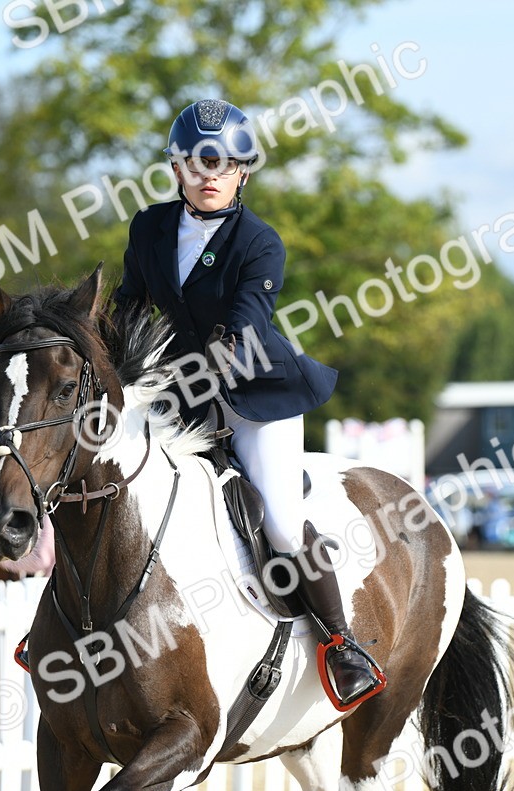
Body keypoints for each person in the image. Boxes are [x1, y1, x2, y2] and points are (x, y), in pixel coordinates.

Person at [112, 99, 380, 708]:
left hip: (257, 392)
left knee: (281, 522)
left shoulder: (260, 242)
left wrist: (190, 378)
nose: (211, 173)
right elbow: (129, 309)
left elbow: (245, 327)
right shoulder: (149, 228)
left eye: (225, 164)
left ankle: (342, 645)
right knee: (115, 482)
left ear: (243, 174)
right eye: (198, 161)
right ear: (176, 167)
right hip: (179, 388)